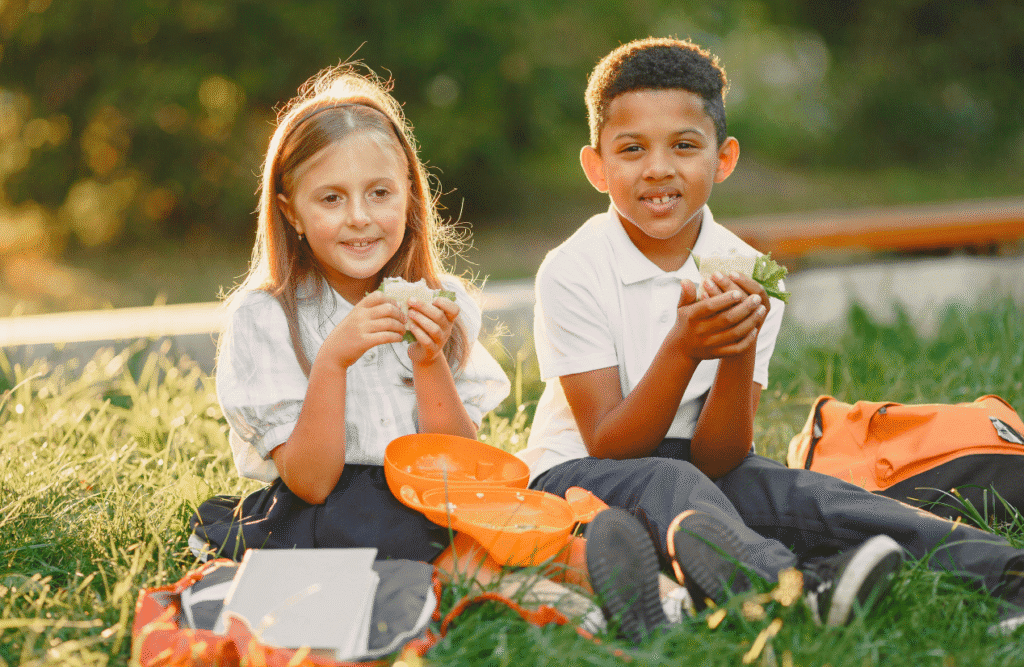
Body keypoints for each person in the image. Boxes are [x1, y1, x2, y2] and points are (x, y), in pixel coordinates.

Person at [516, 36, 1024, 633]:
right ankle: (791, 590)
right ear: (597, 167)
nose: (657, 168)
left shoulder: (745, 269)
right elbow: (609, 442)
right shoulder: (573, 268)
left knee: (810, 495)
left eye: (684, 146)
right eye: (632, 149)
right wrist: (683, 347)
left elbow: (721, 454)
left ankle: (1006, 576)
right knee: (670, 476)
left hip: (699, 473)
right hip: (575, 474)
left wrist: (737, 352)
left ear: (723, 158)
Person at [187, 64, 680, 644]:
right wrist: (334, 360)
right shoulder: (265, 316)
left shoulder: (442, 300)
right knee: (408, 527)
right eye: (331, 198)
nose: (360, 217)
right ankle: (549, 595)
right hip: (332, 509)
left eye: (380, 193)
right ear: (291, 211)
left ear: (410, 196)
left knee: (490, 516)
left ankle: (641, 582)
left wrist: (429, 360)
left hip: (436, 491)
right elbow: (312, 482)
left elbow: (458, 458)